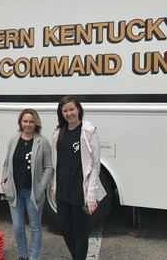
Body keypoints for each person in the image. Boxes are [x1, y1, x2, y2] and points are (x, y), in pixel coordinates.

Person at [51, 96, 106, 260]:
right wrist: (55, 186)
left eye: (71, 109)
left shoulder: (89, 131)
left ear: (79, 110)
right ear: (61, 113)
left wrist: (91, 196)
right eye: (65, 110)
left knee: (80, 232)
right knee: (64, 228)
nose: (69, 113)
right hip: (62, 190)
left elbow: (95, 166)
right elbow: (56, 163)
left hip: (80, 190)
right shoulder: (58, 132)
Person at [1, 109, 54, 260]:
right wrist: (4, 179)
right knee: (18, 228)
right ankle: (22, 256)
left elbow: (49, 168)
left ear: (36, 123)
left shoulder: (42, 141)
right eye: (25, 121)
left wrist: (41, 187)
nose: (28, 124)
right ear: (20, 122)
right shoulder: (14, 140)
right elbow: (6, 163)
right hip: (15, 191)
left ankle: (33, 257)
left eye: (31, 121)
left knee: (35, 227)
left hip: (32, 193)